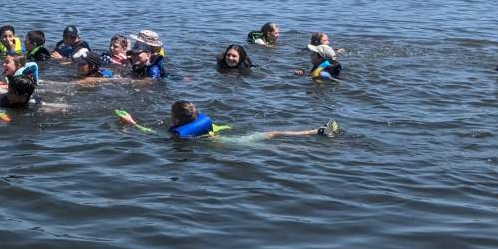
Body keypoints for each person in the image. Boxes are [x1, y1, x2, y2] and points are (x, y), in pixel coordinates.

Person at [116, 100, 339, 140]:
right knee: (273, 132)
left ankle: (317, 132)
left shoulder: (178, 135)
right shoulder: (203, 123)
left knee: (273, 134)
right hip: (220, 132)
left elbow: (152, 134)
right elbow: (219, 125)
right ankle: (317, 130)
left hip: (223, 142)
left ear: (175, 120)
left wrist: (133, 124)